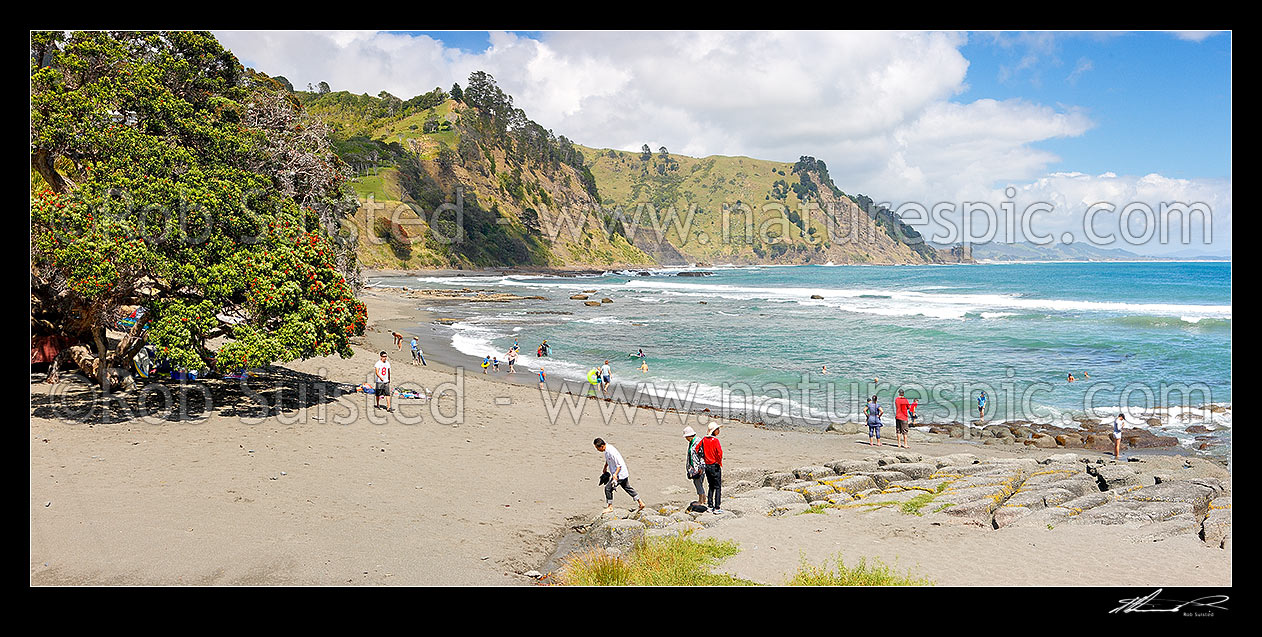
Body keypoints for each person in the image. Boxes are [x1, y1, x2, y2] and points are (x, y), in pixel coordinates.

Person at [595, 438, 644, 513]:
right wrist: (605, 467)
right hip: (622, 473)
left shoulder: (611, 451)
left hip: (619, 474)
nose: (597, 450)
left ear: (601, 446)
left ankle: (610, 507)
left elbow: (619, 465)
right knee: (627, 488)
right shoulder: (607, 450)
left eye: (597, 448)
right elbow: (609, 460)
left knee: (608, 488)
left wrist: (615, 475)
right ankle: (640, 503)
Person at [701, 422, 724, 513]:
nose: (719, 430)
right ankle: (717, 507)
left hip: (707, 465)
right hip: (714, 465)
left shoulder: (704, 439)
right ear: (714, 431)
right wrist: (719, 461)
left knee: (711, 486)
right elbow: (719, 453)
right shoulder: (715, 441)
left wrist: (704, 457)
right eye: (717, 429)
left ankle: (710, 506)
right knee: (717, 486)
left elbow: (698, 449)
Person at [683, 426, 706, 507]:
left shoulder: (698, 442)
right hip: (694, 467)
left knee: (698, 482)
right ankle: (703, 499)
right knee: (699, 483)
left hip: (698, 467)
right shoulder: (692, 442)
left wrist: (701, 467)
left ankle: (701, 500)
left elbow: (702, 455)